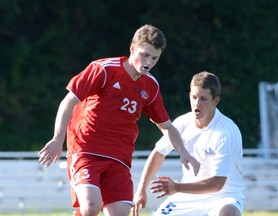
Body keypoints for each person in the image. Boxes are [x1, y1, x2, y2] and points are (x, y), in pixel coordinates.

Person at [38, 24, 200, 216]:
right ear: (132, 49)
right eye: (145, 54)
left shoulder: (151, 86)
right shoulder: (104, 69)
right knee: (91, 207)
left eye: (155, 58)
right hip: (86, 150)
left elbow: (167, 127)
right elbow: (68, 101)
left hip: (119, 158)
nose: (149, 62)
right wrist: (58, 138)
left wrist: (183, 151)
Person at [133, 71, 245, 216]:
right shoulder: (182, 123)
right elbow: (159, 153)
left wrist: (177, 187)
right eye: (194, 97)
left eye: (203, 99)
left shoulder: (227, 132)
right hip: (186, 197)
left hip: (223, 197)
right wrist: (141, 190)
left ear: (215, 101)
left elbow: (217, 183)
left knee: (228, 213)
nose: (196, 104)